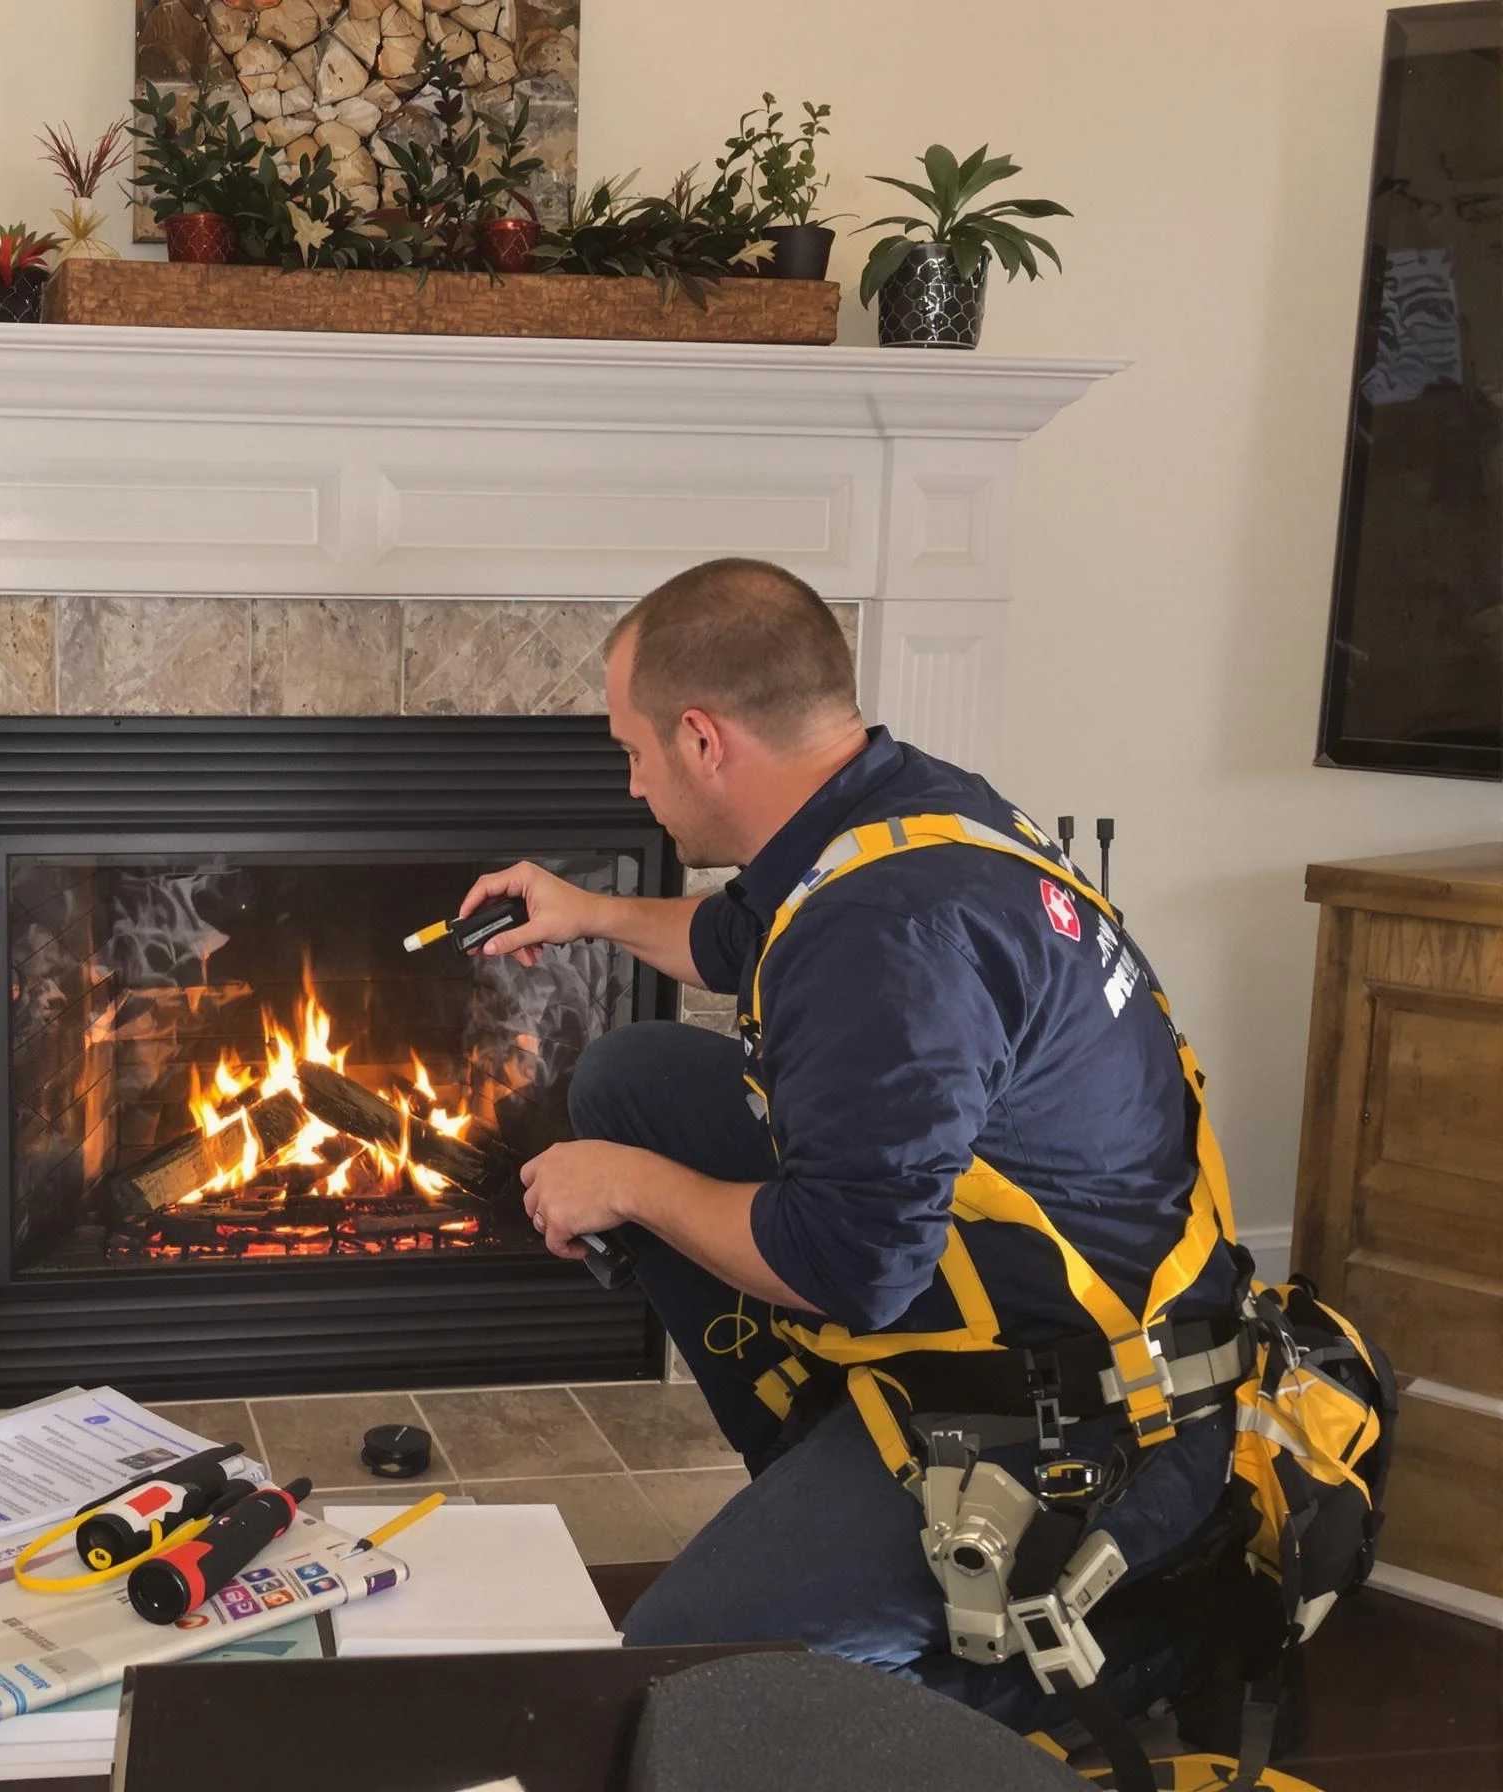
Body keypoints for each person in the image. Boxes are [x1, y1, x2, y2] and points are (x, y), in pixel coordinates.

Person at [462, 557, 1246, 1737]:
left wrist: (628, 1183)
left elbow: (847, 1264)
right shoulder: (895, 807)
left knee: (679, 1697)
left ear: (702, 738)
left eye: (632, 751)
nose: (631, 784)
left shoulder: (884, 936)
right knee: (633, 1078)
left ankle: (1130, 1647)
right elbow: (735, 938)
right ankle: (816, 1471)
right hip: (1031, 1295)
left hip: (1074, 1415)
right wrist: (588, 911)